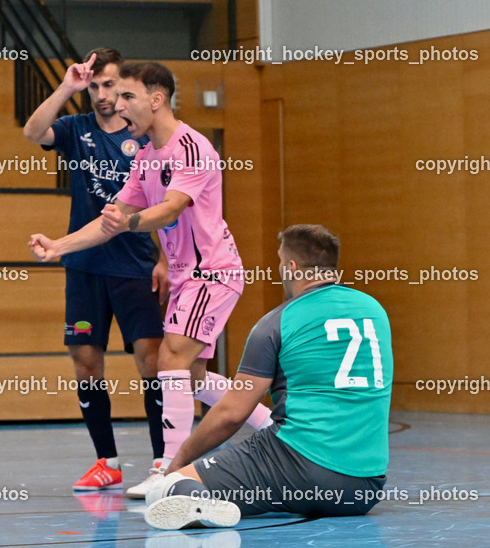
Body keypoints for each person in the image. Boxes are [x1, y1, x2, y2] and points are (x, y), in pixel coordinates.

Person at [29, 61, 272, 498]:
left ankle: (171, 473)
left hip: (210, 273)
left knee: (169, 363)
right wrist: (59, 246)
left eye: (127, 97)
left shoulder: (191, 147)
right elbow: (111, 219)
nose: (118, 106)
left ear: (156, 100)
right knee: (191, 379)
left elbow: (171, 208)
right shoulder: (144, 157)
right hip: (186, 277)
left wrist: (130, 221)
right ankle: (275, 429)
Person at [143, 224, 393, 530]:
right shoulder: (375, 311)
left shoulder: (277, 322)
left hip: (296, 468)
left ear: (291, 266)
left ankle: (202, 502)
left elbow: (232, 414)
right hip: (362, 489)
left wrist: (178, 461)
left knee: (161, 492)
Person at [23, 48, 170, 496]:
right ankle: (106, 461)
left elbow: (166, 201)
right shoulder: (75, 129)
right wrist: (67, 86)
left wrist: (163, 259)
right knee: (86, 362)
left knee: (151, 362)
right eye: (94, 86)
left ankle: (163, 460)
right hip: (85, 267)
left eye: (109, 85)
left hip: (135, 266)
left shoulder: (143, 134)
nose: (102, 95)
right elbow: (32, 132)